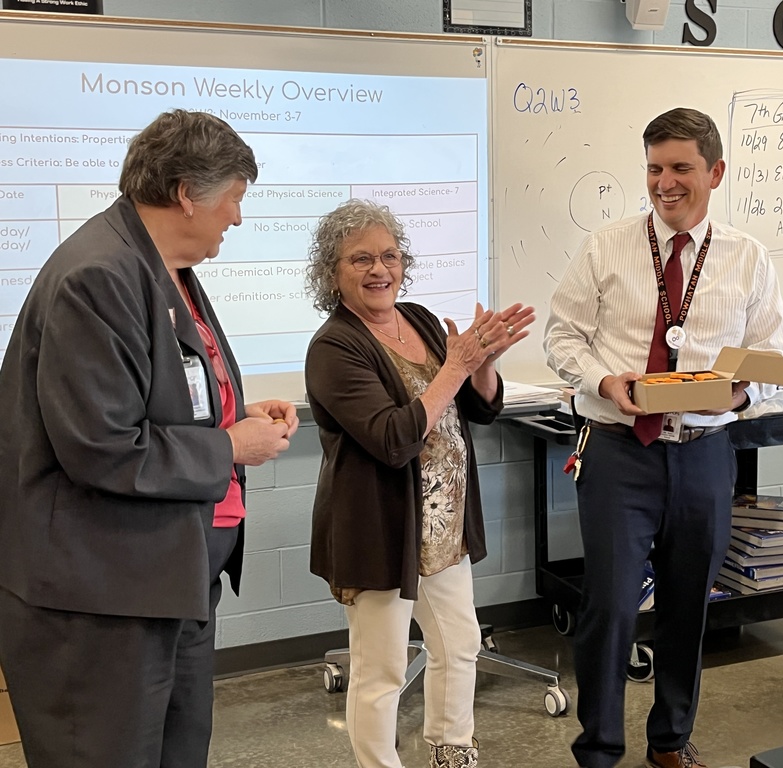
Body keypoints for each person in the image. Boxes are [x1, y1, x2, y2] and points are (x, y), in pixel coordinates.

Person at [0, 109, 299, 768]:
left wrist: (233, 413)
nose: (237, 218)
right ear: (187, 193)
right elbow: (103, 446)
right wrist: (230, 448)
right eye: (233, 198)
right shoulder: (98, 275)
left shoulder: (165, 267)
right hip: (101, 599)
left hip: (168, 579)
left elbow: (156, 395)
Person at [544, 107, 783, 768]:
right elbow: (562, 337)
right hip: (619, 449)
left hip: (705, 452)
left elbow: (773, 359)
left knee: (689, 606)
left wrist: (738, 395)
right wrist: (604, 380)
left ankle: (670, 741)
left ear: (716, 172)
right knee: (611, 607)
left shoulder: (747, 257)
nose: (665, 182)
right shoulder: (607, 247)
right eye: (654, 168)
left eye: (681, 168)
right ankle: (599, 750)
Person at [303, 198, 534, 768]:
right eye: (360, 259)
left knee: (460, 643)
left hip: (444, 528)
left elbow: (479, 410)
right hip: (380, 533)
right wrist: (455, 367)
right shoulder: (333, 347)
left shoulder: (422, 320)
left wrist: (483, 362)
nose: (379, 269)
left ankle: (452, 752)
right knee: (381, 670)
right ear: (331, 273)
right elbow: (392, 439)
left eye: (389, 256)